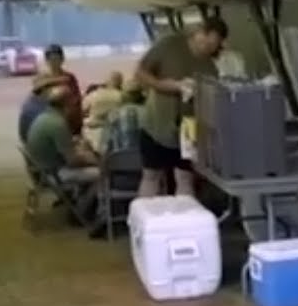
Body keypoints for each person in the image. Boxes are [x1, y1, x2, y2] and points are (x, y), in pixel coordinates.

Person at [135, 18, 227, 198]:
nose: (208, 48)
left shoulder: (210, 68)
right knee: (151, 176)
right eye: (207, 42)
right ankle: (144, 222)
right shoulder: (170, 44)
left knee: (185, 178)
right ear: (199, 32)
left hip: (188, 131)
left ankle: (185, 222)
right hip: (156, 124)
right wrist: (165, 85)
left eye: (213, 46)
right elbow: (140, 72)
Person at [25, 83, 101, 189]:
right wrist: (96, 160)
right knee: (103, 173)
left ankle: (84, 201)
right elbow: (73, 161)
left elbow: (61, 146)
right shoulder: (58, 124)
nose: (75, 106)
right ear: (66, 105)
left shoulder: (44, 117)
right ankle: (88, 204)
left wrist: (75, 144)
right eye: (73, 103)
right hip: (57, 173)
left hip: (46, 169)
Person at [35, 44, 83, 134]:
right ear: (47, 61)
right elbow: (36, 90)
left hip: (69, 120)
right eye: (51, 59)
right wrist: (58, 80)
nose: (54, 62)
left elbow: (77, 99)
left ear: (62, 59)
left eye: (57, 59)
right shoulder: (41, 78)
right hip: (49, 118)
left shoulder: (70, 77)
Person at [82, 71, 125, 150]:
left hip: (93, 130)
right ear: (120, 82)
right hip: (113, 132)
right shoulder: (122, 96)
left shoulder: (93, 95)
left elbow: (82, 110)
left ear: (107, 81)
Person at [102, 79, 145, 157]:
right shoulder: (150, 113)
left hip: (121, 161)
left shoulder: (114, 114)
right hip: (147, 162)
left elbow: (105, 146)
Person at [17, 76, 53, 144]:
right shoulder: (40, 107)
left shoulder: (33, 99)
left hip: (30, 139)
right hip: (36, 144)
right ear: (44, 89)